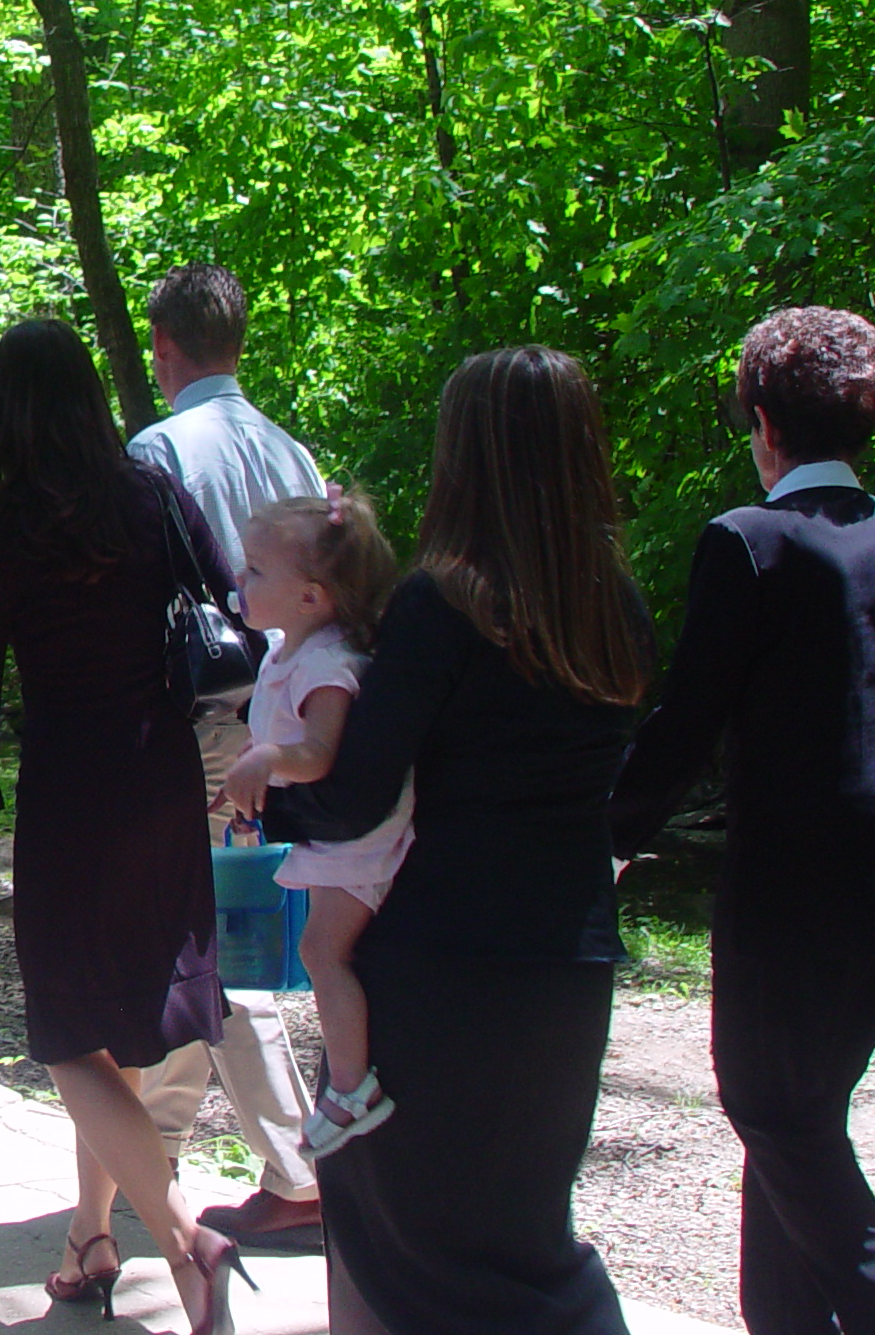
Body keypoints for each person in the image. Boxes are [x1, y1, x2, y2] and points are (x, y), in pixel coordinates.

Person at [268, 346, 648, 1335]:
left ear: (462, 457)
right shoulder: (616, 604)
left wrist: (266, 805)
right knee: (523, 1237)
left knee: (394, 1227)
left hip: (438, 963)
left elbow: (355, 797)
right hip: (567, 961)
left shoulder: (442, 604)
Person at [611, 308, 875, 1335]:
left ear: (762, 422)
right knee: (803, 1108)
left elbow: (690, 715)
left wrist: (609, 830)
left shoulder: (748, 542)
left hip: (797, 869)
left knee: (770, 1106)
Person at [0, 318, 252, 1333]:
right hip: (158, 778)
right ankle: (89, 1240)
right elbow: (236, 600)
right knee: (125, 1026)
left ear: (4, 413)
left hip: (70, 795)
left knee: (70, 1037)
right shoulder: (152, 494)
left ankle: (189, 1243)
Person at [127, 265, 330, 1245]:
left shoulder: (155, 452)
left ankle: (297, 1170)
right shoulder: (295, 455)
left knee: (216, 940)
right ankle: (154, 1146)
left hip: (202, 726)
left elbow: (137, 612)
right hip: (291, 723)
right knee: (202, 927)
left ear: (163, 347)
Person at [214, 488, 408, 1161]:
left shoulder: (327, 664)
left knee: (322, 953)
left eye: (258, 571)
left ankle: (353, 1090)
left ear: (311, 597)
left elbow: (320, 753)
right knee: (320, 952)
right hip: (333, 836)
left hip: (362, 842)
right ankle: (350, 1080)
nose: (242, 580)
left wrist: (269, 760)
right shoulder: (286, 652)